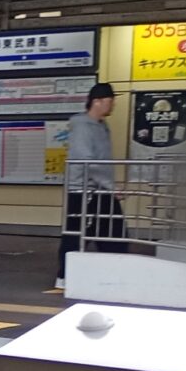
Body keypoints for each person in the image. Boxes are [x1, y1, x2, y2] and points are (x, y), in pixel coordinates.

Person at [59, 83, 120, 288]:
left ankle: (113, 274)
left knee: (111, 232)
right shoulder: (82, 127)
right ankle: (64, 276)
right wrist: (112, 186)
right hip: (84, 190)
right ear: (97, 101)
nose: (113, 105)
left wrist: (110, 186)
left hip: (100, 189)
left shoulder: (102, 126)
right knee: (78, 234)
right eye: (110, 101)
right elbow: (87, 160)